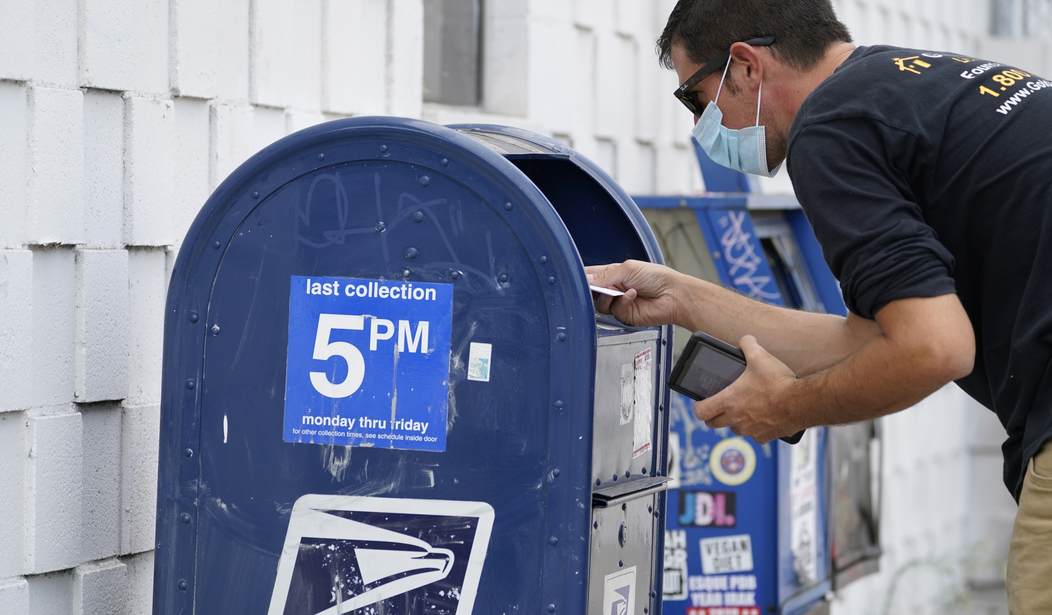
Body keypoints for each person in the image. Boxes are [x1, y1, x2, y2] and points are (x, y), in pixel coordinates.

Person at [587, 0, 1052, 611]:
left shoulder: (830, 129)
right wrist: (682, 296)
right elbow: (885, 339)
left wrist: (786, 406)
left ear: (746, 67)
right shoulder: (916, 86)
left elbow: (934, 348)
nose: (701, 124)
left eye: (695, 100)